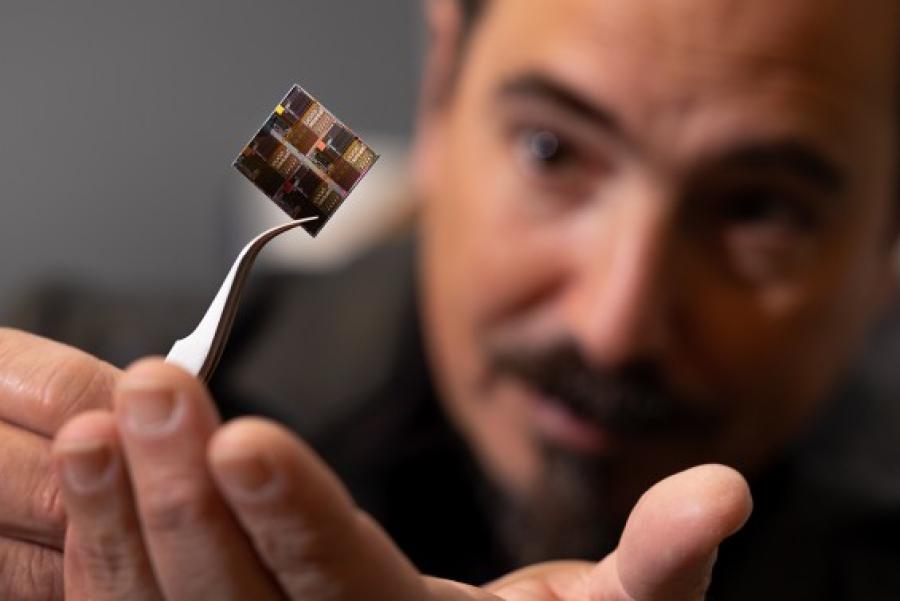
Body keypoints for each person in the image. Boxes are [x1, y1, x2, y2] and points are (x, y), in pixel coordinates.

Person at [1, 0, 899, 598]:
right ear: (441, 89)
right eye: (552, 150)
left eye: (760, 208)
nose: (614, 325)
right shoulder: (59, 372)